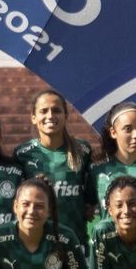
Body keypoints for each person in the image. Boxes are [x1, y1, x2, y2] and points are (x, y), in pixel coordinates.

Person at [13, 90, 94, 246]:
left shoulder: (83, 150)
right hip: (37, 244)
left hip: (75, 241)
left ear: (66, 115)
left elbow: (91, 196)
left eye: (56, 110)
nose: (50, 116)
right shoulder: (22, 154)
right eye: (43, 111)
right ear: (33, 118)